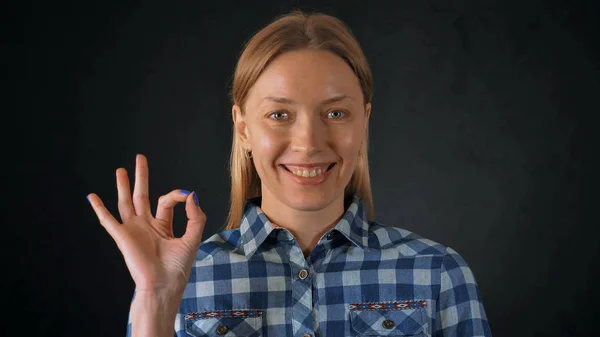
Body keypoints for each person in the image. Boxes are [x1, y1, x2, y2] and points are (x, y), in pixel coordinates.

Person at [87, 9, 492, 337]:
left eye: (335, 113)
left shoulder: (438, 273)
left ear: (363, 122)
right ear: (243, 128)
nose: (309, 141)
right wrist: (156, 297)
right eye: (279, 114)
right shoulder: (180, 279)